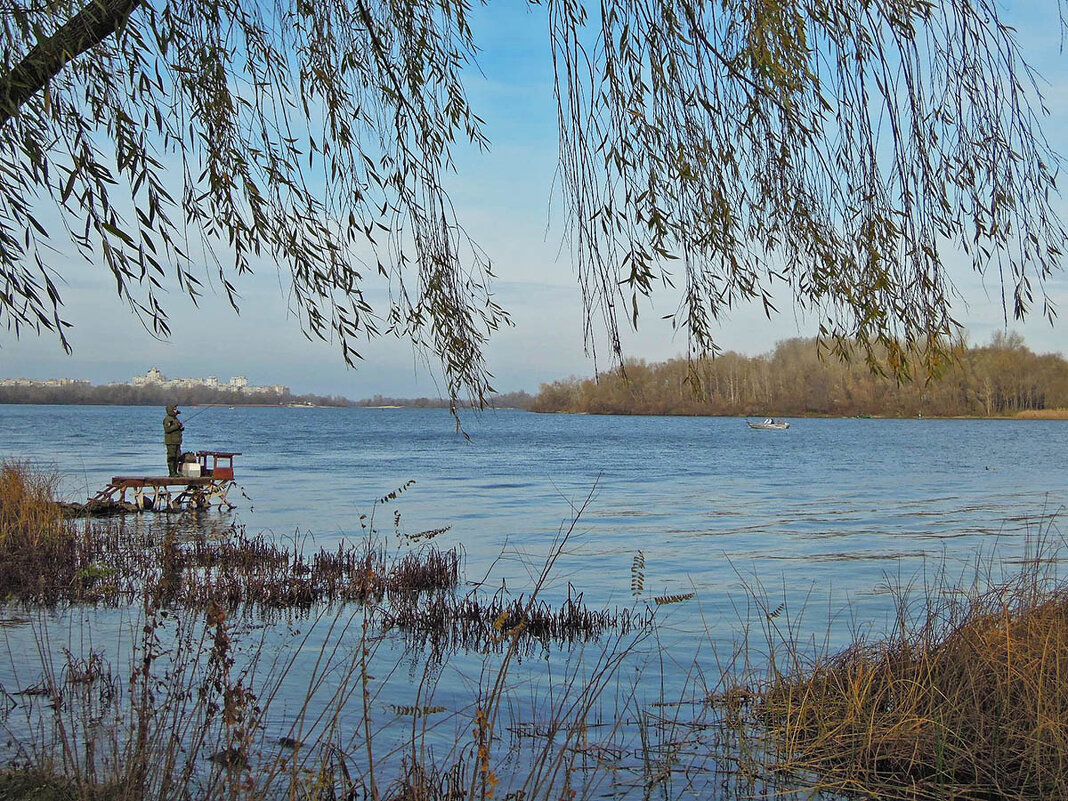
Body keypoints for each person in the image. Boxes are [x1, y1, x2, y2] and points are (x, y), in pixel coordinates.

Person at [163, 404, 184, 476]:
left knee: (178, 456)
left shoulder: (175, 419)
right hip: (171, 441)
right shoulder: (168, 419)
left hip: (177, 441)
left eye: (176, 409)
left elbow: (176, 428)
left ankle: (176, 472)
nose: (176, 410)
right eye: (174, 409)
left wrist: (180, 428)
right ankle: (172, 473)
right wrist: (176, 426)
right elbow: (167, 429)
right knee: (172, 457)